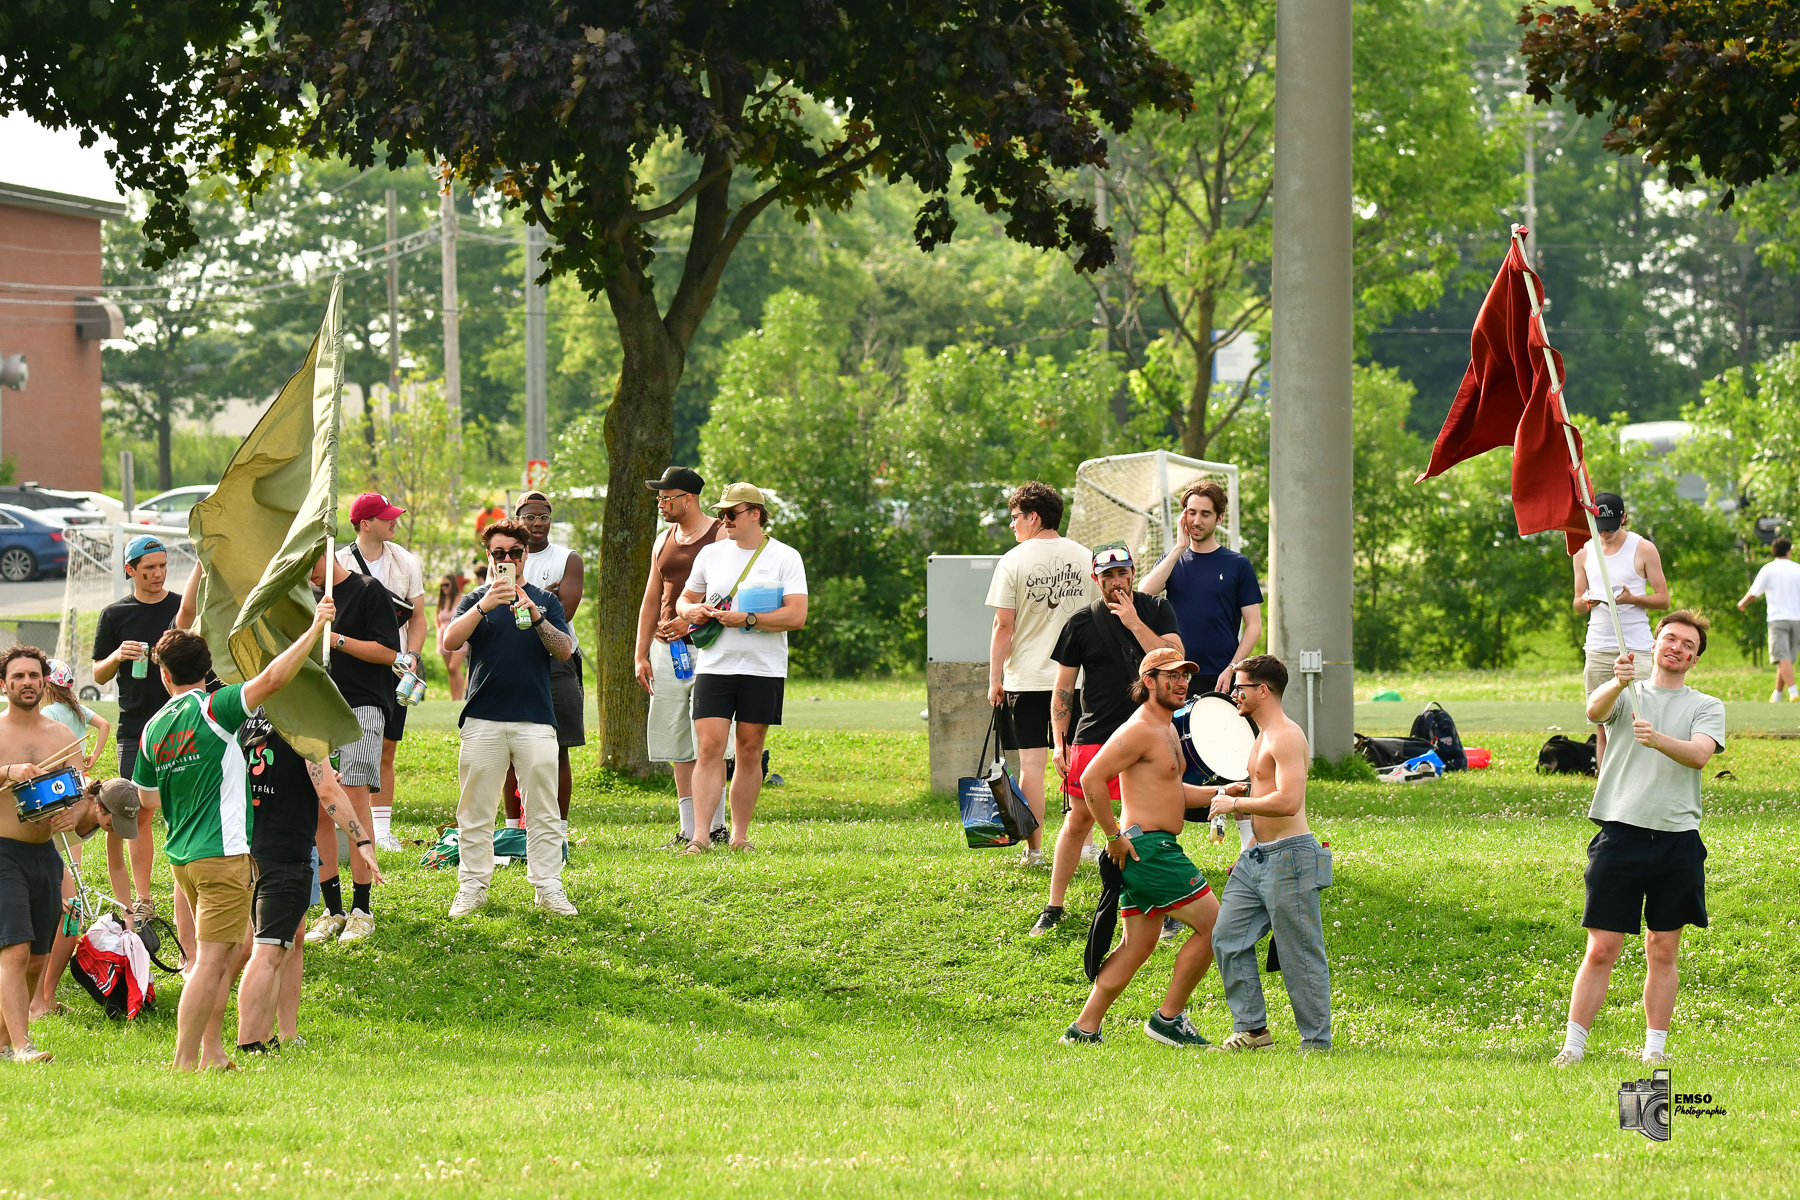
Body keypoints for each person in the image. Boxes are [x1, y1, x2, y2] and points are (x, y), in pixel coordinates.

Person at [132, 612, 334, 1071]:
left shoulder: (154, 726)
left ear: (164, 675)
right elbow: (274, 678)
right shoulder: (215, 708)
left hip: (182, 858)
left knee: (218, 960)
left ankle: (214, 1053)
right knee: (210, 964)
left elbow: (147, 798)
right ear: (207, 672)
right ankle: (185, 1061)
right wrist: (314, 628)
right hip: (221, 855)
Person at [1554, 610, 1723, 1069]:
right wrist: (1616, 680)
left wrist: (1658, 739)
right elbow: (1594, 711)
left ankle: (1654, 1051)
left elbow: (1700, 755)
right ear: (1655, 644)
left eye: (1688, 645)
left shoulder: (1706, 706)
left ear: (1694, 659)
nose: (1677, 648)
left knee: (1662, 948)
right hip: (1619, 835)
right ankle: (1573, 1048)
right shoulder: (1626, 693)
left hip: (1677, 840)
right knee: (1601, 948)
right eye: (1671, 639)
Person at [1058, 647, 1227, 1047]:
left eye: (1185, 676)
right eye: (1172, 676)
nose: (1182, 683)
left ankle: (1083, 1030)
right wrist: (1112, 836)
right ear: (1149, 682)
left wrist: (1223, 792)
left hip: (1149, 848)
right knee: (1216, 927)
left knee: (1137, 945)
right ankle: (1169, 1019)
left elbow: (1172, 791)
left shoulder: (1166, 728)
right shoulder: (1139, 729)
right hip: (1148, 850)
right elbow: (1091, 778)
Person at [1033, 543, 1182, 938]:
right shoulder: (1081, 623)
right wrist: (1059, 742)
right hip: (1096, 732)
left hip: (1148, 730)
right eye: (1108, 575)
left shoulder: (1156, 609)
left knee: (1148, 821)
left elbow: (1175, 659)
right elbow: (1063, 689)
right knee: (1079, 818)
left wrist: (1134, 622)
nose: (1116, 582)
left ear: (1133, 573)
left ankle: (1162, 902)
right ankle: (1053, 906)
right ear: (1095, 579)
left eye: (1122, 573)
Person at [440, 519, 576, 917]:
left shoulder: (544, 600)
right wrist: (484, 605)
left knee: (544, 810)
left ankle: (548, 886)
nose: (507, 559)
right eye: (498, 553)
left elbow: (564, 650)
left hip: (535, 718)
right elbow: (450, 641)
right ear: (488, 556)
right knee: (475, 809)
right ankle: (472, 886)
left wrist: (536, 615)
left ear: (525, 554)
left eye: (514, 553)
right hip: (483, 716)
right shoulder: (475, 600)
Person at [234, 709, 383, 1055]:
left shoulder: (247, 717)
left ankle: (277, 1034)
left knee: (287, 939)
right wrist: (362, 841)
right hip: (285, 853)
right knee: (267, 951)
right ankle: (250, 1042)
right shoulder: (304, 722)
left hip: (246, 847)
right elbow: (329, 793)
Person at [1206, 654, 1334, 1052]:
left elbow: (1289, 802)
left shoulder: (1286, 736)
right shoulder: (1261, 736)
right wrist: (1246, 829)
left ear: (1263, 690)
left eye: (1240, 687)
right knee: (1227, 937)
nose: (1234, 694)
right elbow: (1266, 791)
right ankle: (1253, 1030)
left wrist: (1236, 804)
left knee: (1299, 953)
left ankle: (1316, 1042)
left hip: (1290, 857)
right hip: (1257, 857)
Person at [676, 483, 808, 853]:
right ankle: (700, 837)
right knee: (709, 747)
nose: (724, 520)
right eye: (721, 513)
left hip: (763, 668)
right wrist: (693, 611)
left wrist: (748, 619)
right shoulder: (711, 554)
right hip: (715, 666)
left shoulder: (785, 557)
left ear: (755, 514)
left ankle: (739, 836)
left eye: (731, 513)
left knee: (749, 750)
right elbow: (684, 601)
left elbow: (796, 616)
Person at [0, 645, 103, 1062]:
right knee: (14, 948)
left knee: (36, 959)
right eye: (18, 676)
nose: (27, 683)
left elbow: (76, 798)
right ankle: (22, 1045)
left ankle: (4, 1043)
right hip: (3, 852)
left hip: (45, 854)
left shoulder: (63, 737)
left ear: (45, 682)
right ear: (3, 684)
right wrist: (9, 772)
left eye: (33, 676)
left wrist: (70, 815)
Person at [986, 482, 1093, 867]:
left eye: (1015, 517)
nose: (1012, 524)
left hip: (1027, 679)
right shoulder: (1086, 558)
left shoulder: (1012, 560)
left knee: (1031, 766)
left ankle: (1034, 852)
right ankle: (1086, 847)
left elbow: (1003, 626)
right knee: (1081, 763)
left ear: (1033, 517)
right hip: (1077, 681)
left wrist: (994, 679)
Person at [301, 551, 401, 946]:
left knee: (355, 799)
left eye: (308, 563)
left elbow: (389, 653)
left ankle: (362, 909)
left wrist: (335, 638)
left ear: (324, 554)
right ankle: (333, 910)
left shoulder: (368, 590)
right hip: (317, 708)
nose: (304, 573)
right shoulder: (307, 598)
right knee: (321, 806)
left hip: (362, 705)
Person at [634, 466, 727, 851]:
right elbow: (651, 597)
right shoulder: (663, 540)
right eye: (659, 498)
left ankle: (716, 827)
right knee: (676, 741)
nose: (660, 504)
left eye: (666, 498)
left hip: (708, 647)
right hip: (666, 652)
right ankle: (689, 830)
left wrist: (689, 622)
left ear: (689, 498)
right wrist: (640, 653)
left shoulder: (719, 534)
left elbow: (727, 597)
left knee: (709, 740)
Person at [91, 535, 182, 928]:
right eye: (149, 568)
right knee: (138, 812)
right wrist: (117, 656)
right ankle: (144, 900)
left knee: (182, 810)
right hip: (135, 727)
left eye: (162, 566)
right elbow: (98, 674)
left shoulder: (182, 607)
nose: (158, 574)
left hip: (180, 723)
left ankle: (187, 895)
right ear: (130, 570)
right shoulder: (115, 614)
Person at [337, 492, 427, 852]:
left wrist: (413, 656)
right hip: (350, 668)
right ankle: (346, 825)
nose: (394, 522)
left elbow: (418, 617)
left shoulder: (405, 561)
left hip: (396, 666)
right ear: (365, 524)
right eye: (386, 517)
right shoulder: (340, 562)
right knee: (346, 749)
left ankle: (382, 829)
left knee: (387, 746)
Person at [27, 660, 112, 1020]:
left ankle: (43, 998)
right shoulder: (58, 714)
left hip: (57, 822)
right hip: (35, 835)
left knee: (71, 911)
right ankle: (37, 1000)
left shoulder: (59, 716)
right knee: (63, 910)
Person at [500, 490, 585, 845]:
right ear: (517, 518)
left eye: (544, 517)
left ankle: (558, 833)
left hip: (556, 662)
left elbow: (563, 612)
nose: (537, 523)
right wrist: (544, 596)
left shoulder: (568, 558)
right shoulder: (504, 556)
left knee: (557, 748)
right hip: (510, 661)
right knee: (508, 749)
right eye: (530, 517)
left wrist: (535, 601)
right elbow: (496, 607)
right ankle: (513, 830)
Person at [1137, 481, 1263, 695]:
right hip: (1176, 673)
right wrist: (1179, 548)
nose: (1196, 521)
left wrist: (1232, 668)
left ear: (1219, 518)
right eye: (1192, 512)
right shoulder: (1172, 560)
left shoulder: (1238, 564)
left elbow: (1254, 626)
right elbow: (1143, 593)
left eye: (1205, 514)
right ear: (1183, 515)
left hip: (1221, 677)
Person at [1573, 492, 1668, 767]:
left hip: (1635, 646)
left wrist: (1632, 599)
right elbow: (1577, 603)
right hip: (1598, 647)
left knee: (1640, 718)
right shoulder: (1583, 551)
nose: (1605, 533)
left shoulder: (1643, 548)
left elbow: (1663, 599)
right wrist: (1586, 600)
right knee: (1601, 722)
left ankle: (1642, 778)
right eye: (1600, 527)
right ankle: (1604, 782)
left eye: (1611, 527)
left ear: (1623, 518)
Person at [1737, 536, 1800, 703]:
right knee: (1786, 658)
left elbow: (1754, 592)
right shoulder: (1797, 569)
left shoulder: (1769, 569)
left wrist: (1743, 603)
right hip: (1796, 619)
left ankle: (1793, 692)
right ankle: (1777, 695)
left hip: (1777, 619)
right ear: (1788, 551)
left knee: (1782, 656)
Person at [437, 574, 468, 701]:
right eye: (442, 585)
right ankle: (453, 698)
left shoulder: (462, 598)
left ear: (453, 585)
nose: (444, 588)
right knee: (450, 671)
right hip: (443, 637)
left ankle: (460, 697)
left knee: (454, 667)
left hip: (458, 636)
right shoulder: (442, 600)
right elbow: (438, 618)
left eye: (446, 585)